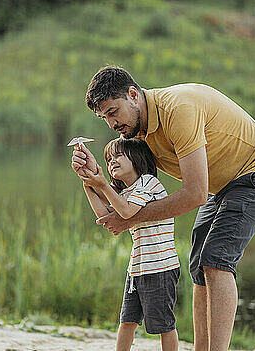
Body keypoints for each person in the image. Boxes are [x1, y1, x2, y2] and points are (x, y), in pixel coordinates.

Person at [71, 66, 255, 351]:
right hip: (220, 186)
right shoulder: (135, 134)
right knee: (198, 264)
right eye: (104, 117)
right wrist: (93, 178)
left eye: (113, 112)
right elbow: (123, 202)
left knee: (216, 260)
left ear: (133, 95)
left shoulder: (178, 111)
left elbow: (194, 194)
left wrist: (128, 220)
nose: (111, 123)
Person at [76, 137, 180, 351]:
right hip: (137, 269)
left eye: (118, 156)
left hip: (160, 267)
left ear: (137, 158)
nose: (111, 161)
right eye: (108, 159)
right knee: (127, 321)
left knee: (164, 325)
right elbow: (104, 214)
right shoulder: (125, 193)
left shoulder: (148, 182)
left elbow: (125, 212)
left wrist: (102, 184)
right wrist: (88, 182)